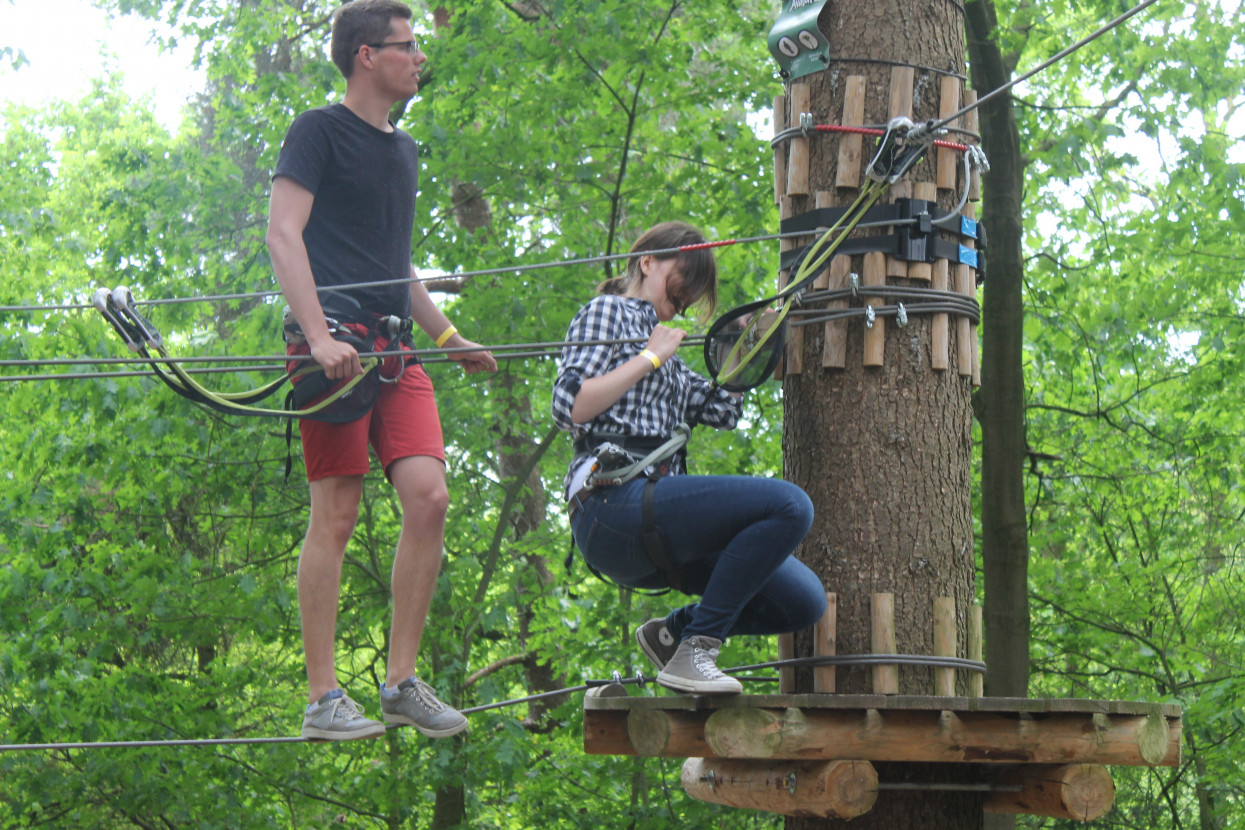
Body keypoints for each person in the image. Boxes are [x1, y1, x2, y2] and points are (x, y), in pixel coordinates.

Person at [266, 0, 497, 741]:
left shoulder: (404, 151)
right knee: (336, 514)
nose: (418, 57)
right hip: (330, 350)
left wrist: (450, 335)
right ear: (367, 55)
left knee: (428, 497)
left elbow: (395, 268)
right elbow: (283, 234)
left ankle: (400, 682)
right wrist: (316, 334)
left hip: (395, 349)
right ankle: (322, 698)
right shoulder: (317, 131)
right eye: (406, 46)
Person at [552, 222, 827, 695]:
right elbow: (570, 406)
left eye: (690, 297)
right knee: (790, 505)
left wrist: (739, 346)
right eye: (682, 283)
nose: (685, 300)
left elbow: (722, 408)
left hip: (656, 520)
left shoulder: (673, 360)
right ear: (648, 262)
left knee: (802, 603)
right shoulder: (608, 313)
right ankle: (697, 651)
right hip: (609, 504)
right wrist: (650, 359)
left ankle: (673, 634)